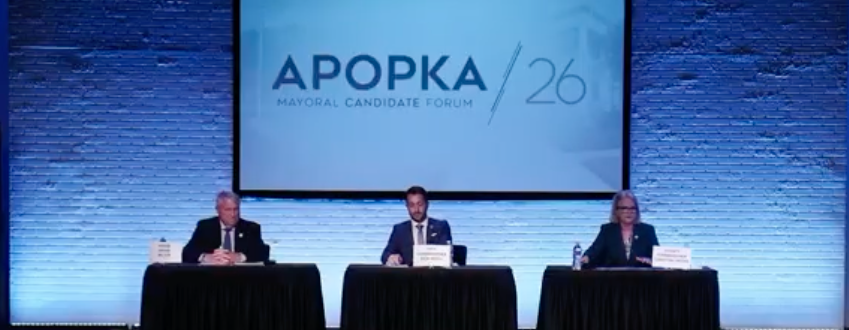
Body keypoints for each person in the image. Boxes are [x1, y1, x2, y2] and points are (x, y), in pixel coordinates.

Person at [182, 190, 270, 265]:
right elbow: (187, 252)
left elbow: (263, 252)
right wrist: (206, 257)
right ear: (218, 210)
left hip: (242, 277)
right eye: (228, 210)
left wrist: (239, 257)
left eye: (236, 209)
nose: (233, 214)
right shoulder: (205, 226)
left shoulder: (251, 228)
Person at [581, 190, 658, 268]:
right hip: (613, 278)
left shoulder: (647, 230)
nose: (629, 212)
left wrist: (651, 261)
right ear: (616, 211)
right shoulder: (608, 230)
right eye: (624, 208)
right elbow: (593, 252)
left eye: (632, 208)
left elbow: (659, 258)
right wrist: (586, 258)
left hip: (642, 278)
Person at [381, 186, 453, 266]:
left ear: (427, 204)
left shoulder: (441, 226)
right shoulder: (399, 230)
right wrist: (391, 257)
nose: (416, 209)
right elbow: (384, 255)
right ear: (407, 207)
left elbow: (447, 253)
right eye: (412, 205)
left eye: (420, 204)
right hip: (408, 276)